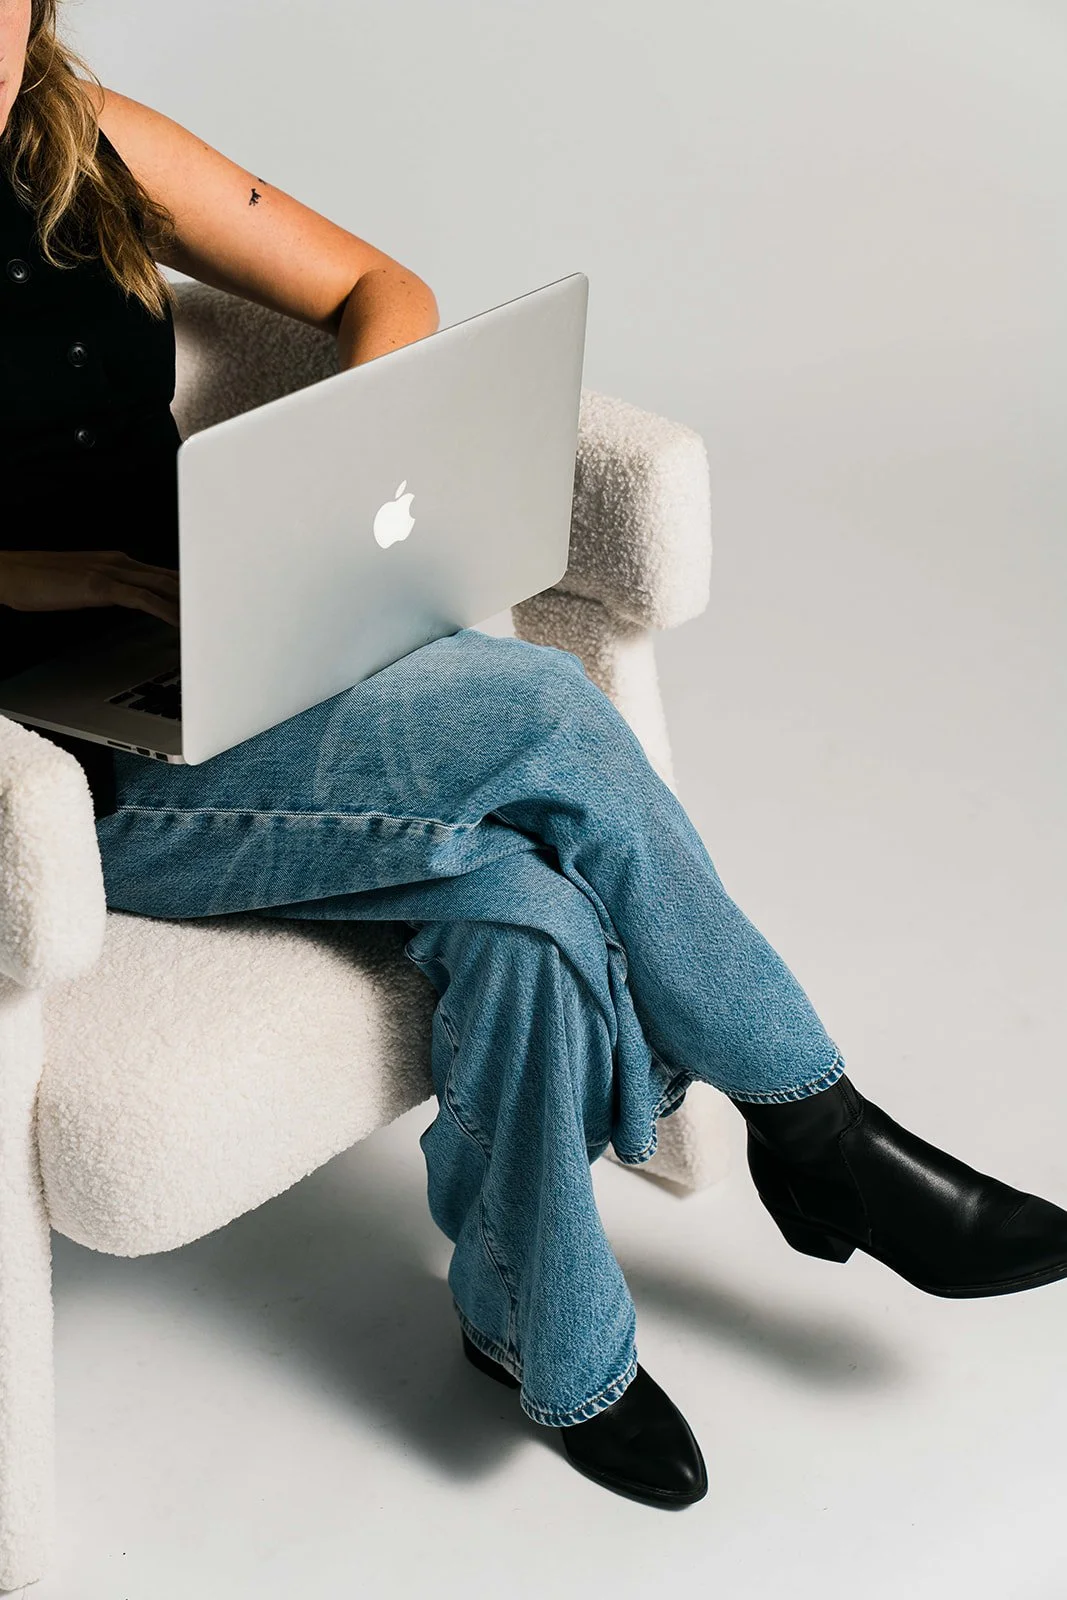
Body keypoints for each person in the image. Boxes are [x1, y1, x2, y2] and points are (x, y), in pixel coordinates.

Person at [4, 0, 1067, 1514]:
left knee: (527, 910)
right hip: (57, 768)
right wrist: (76, 579)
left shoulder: (85, 138)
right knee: (547, 720)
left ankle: (545, 1344)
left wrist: (305, 498)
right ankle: (811, 1126)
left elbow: (384, 284)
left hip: (215, 657)